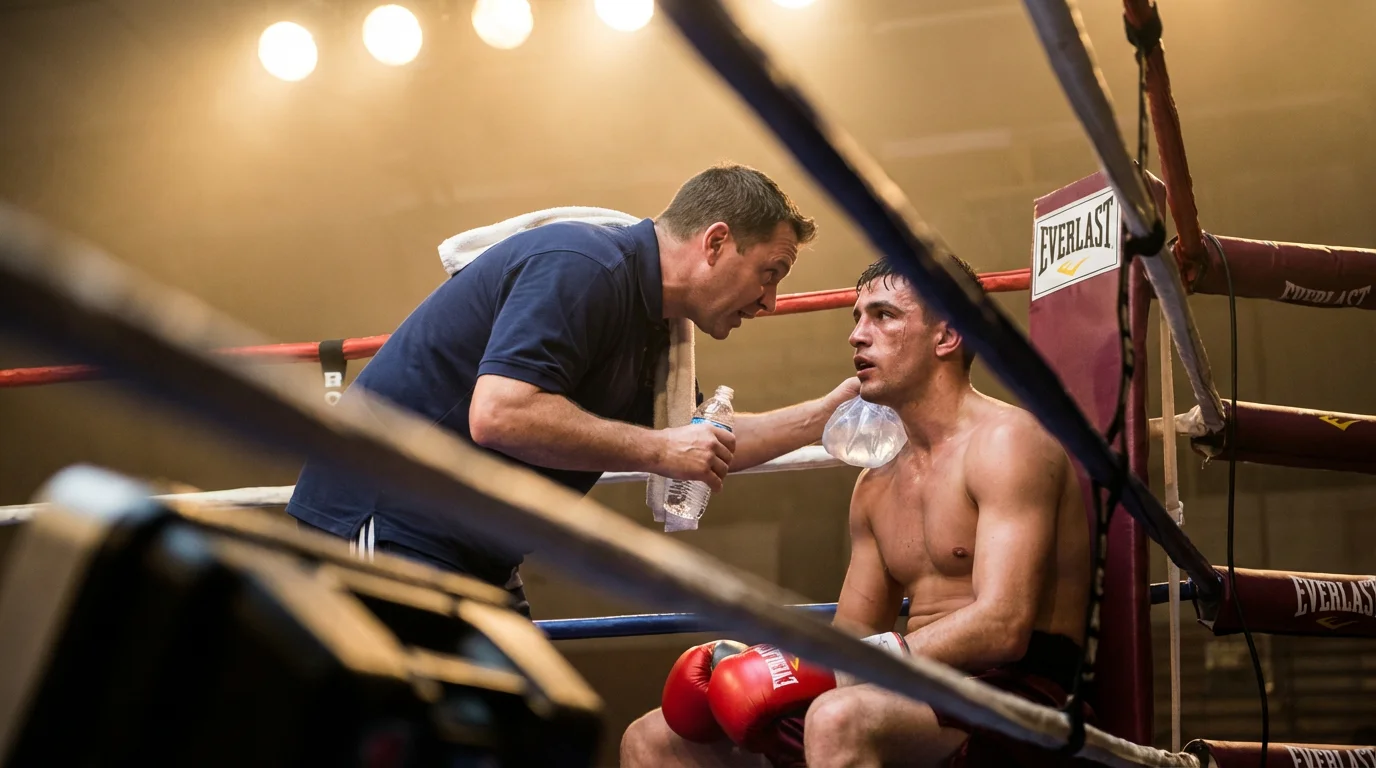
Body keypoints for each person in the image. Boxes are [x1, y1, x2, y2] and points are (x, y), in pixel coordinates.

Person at [286, 163, 858, 616]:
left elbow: (701, 440)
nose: (769, 303)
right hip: (384, 520)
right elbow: (501, 413)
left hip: (472, 552)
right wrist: (660, 449)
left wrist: (827, 414)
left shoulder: (657, 323)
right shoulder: (583, 265)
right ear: (715, 243)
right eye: (770, 272)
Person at [621, 256, 1091, 767]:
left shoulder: (1007, 442)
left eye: (884, 315)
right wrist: (763, 663)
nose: (858, 336)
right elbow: (852, 637)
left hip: (1018, 695)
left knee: (838, 717)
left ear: (948, 336)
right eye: (857, 317)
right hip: (912, 691)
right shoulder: (876, 482)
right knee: (652, 738)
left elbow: (1003, 626)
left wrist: (840, 669)